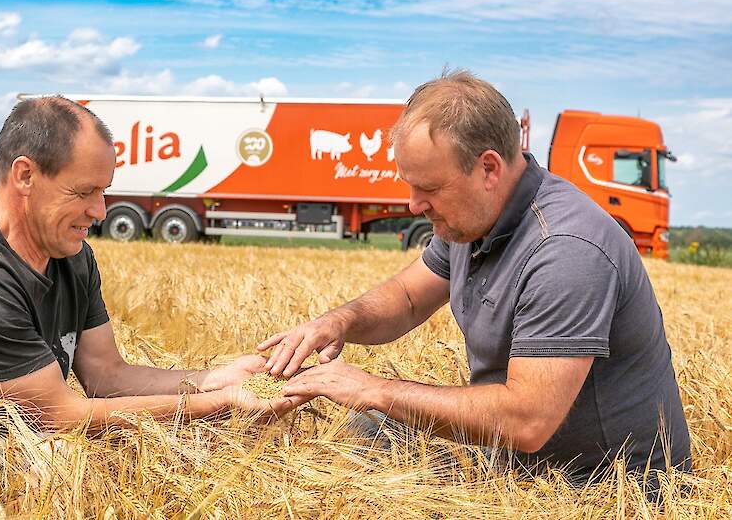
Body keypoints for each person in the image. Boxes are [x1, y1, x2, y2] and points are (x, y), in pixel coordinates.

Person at [260, 70, 692, 490]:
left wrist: (372, 388)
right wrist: (338, 322)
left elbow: (527, 421)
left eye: (428, 187)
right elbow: (409, 297)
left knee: (378, 424)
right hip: (512, 461)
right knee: (369, 433)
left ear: (489, 169)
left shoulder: (566, 249)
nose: (413, 206)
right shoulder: (471, 220)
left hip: (598, 487)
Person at [0, 96, 300, 432]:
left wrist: (212, 378)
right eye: (84, 191)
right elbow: (59, 416)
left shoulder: (71, 256)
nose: (101, 211)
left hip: (5, 449)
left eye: (104, 191)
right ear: (25, 176)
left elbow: (106, 375)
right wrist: (220, 403)